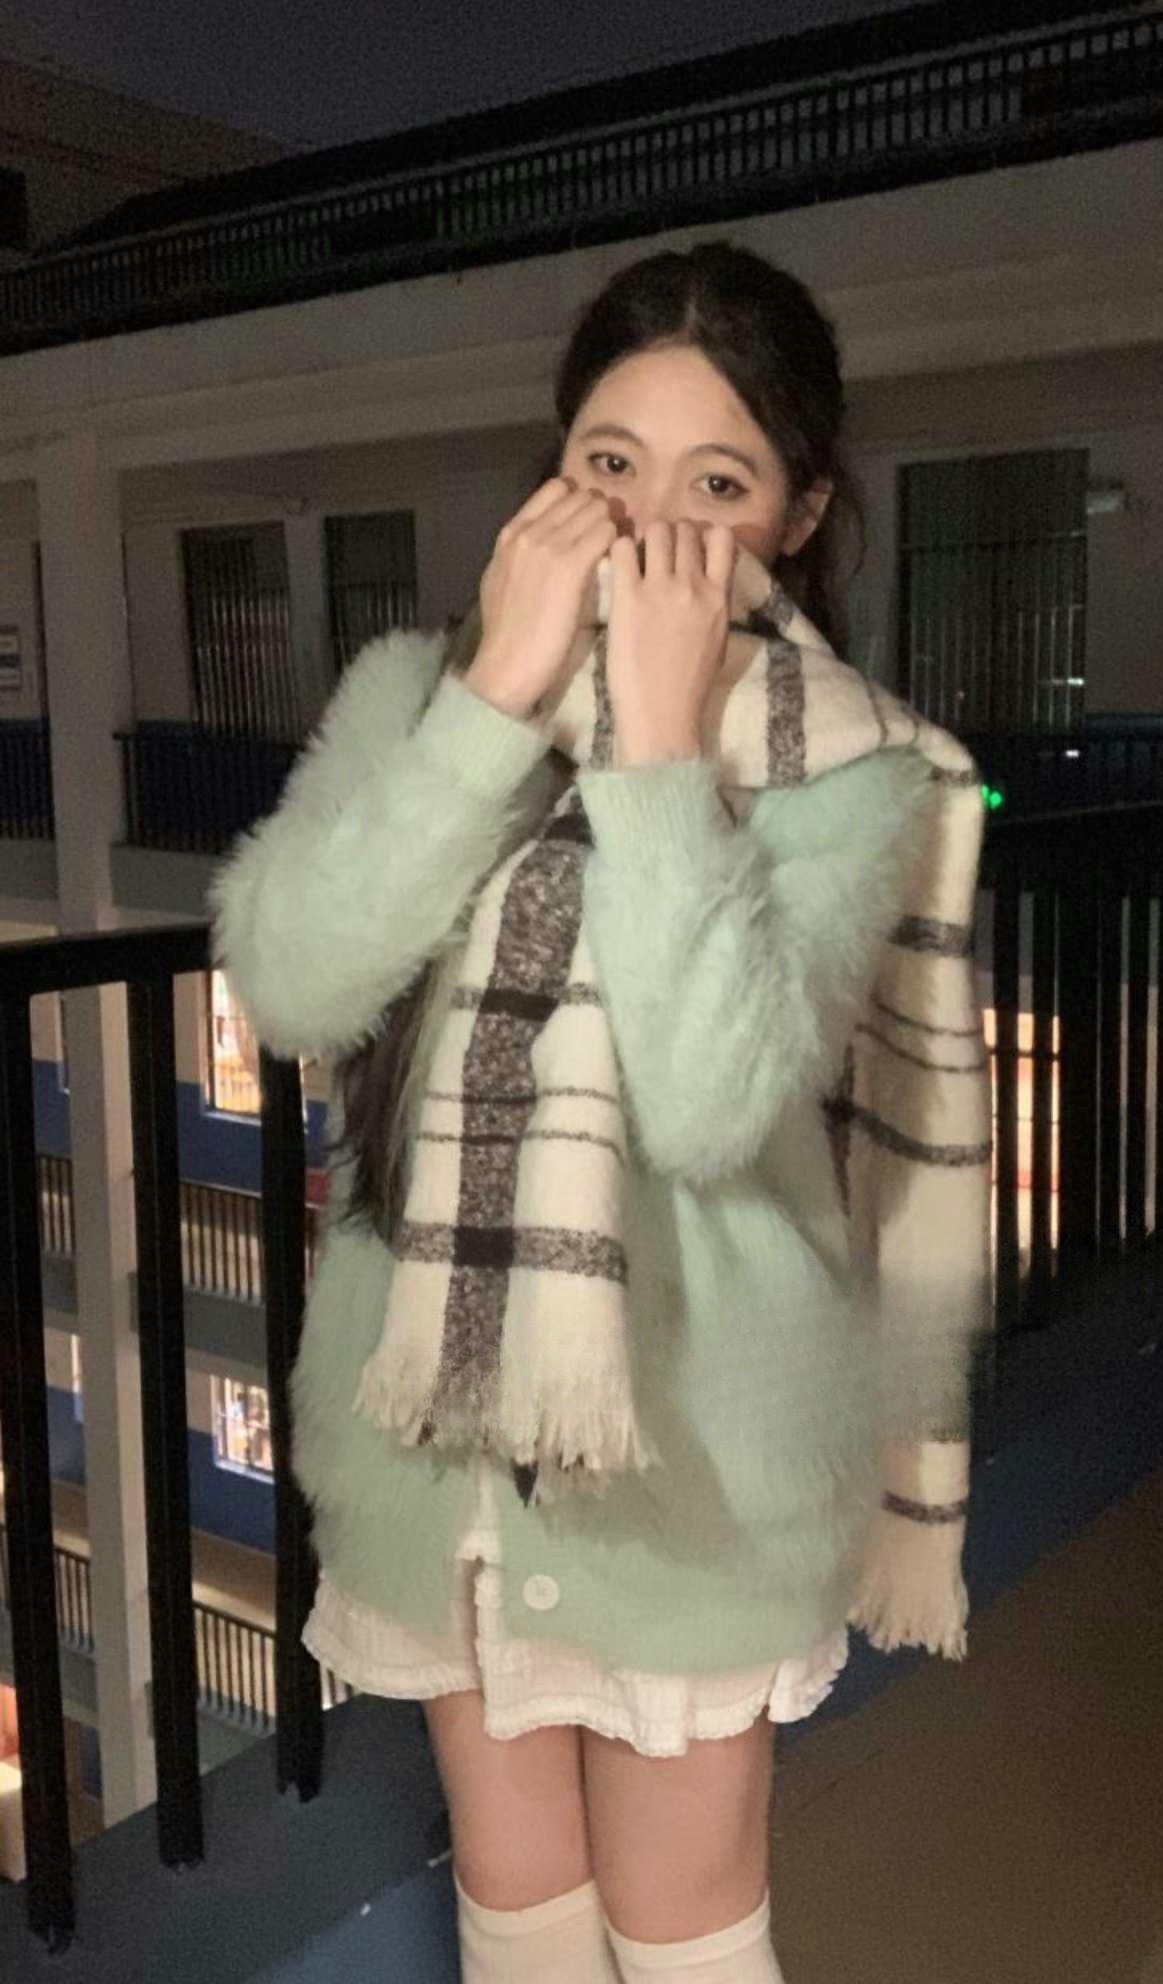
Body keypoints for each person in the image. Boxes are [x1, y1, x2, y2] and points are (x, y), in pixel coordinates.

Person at [210, 239, 991, 1984]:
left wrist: (654, 751)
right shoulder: (424, 696)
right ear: (551, 477)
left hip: (693, 1466)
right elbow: (295, 981)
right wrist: (493, 701)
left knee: (687, 1937)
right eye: (611, 465)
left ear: (800, 515)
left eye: (718, 483)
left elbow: (712, 1100)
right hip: (439, 1457)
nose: (652, 523)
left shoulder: (849, 766)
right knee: (520, 1924)